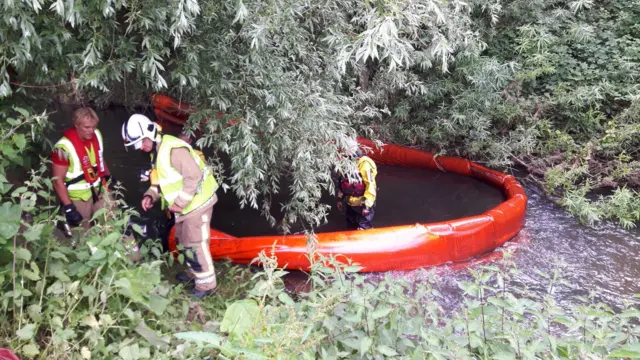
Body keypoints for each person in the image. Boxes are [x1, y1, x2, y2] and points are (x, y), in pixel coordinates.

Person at [122, 114, 219, 299]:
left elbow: (194, 177)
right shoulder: (157, 151)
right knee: (183, 240)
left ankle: (207, 284)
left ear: (149, 133)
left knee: (195, 243)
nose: (140, 148)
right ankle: (194, 273)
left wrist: (179, 203)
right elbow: (162, 181)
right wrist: (151, 195)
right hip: (185, 207)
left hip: (197, 204)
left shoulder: (173, 149)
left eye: (141, 143)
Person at [51, 107, 116, 235]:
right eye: (87, 127)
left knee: (113, 222)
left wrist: (108, 177)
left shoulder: (97, 135)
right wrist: (69, 208)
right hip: (77, 196)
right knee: (81, 234)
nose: (91, 130)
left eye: (93, 126)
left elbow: (100, 158)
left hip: (98, 189)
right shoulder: (63, 148)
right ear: (76, 125)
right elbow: (57, 181)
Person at [334, 138, 378, 230]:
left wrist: (367, 206)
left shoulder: (364, 164)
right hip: (350, 203)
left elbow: (370, 185)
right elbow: (342, 183)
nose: (342, 152)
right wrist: (339, 199)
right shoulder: (345, 163)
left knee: (363, 226)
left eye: (344, 149)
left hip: (362, 203)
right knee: (350, 225)